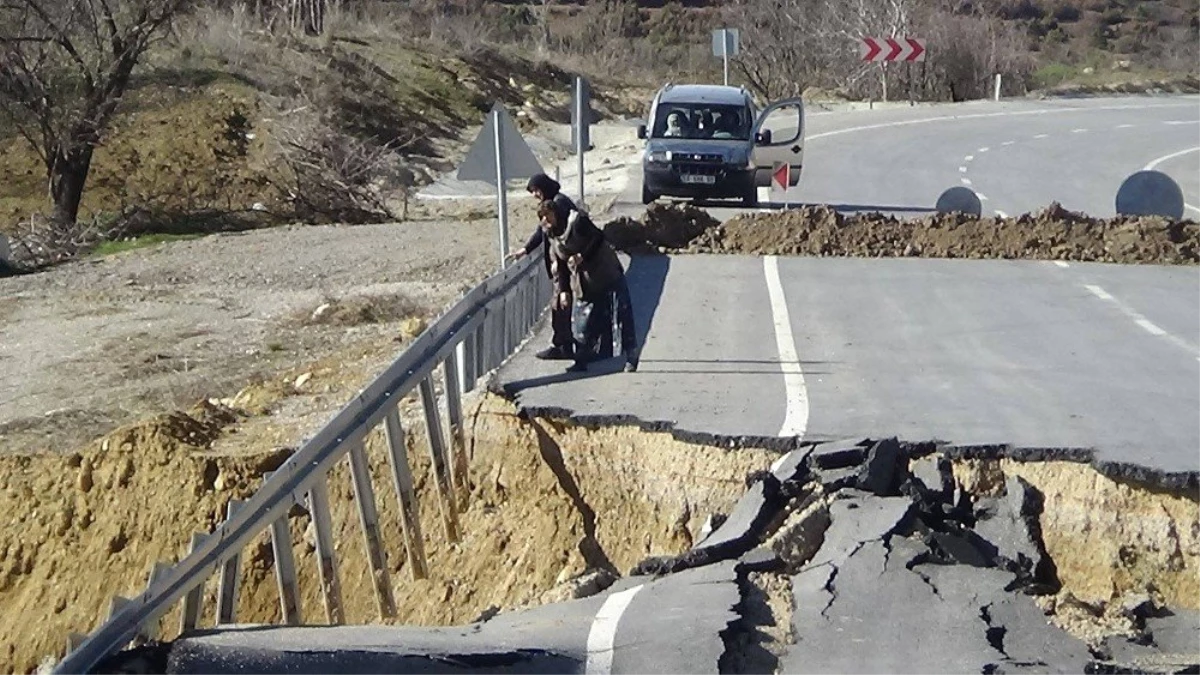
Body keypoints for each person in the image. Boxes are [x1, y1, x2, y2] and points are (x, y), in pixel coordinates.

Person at [537, 199, 639, 373]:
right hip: (584, 281)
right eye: (542, 218)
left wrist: (582, 255)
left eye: (547, 216)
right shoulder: (551, 234)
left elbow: (598, 237)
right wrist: (564, 291)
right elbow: (560, 264)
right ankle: (581, 361)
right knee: (582, 323)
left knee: (620, 316)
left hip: (607, 273)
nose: (545, 221)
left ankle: (631, 356)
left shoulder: (576, 222)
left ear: (555, 213)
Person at [507, 173, 578, 360]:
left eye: (536, 190)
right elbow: (542, 231)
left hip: (564, 265)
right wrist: (525, 250)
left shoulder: (559, 204)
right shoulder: (555, 203)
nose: (534, 195)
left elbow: (559, 236)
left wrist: (559, 263)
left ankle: (563, 345)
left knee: (560, 305)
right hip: (562, 264)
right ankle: (565, 343)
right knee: (560, 305)